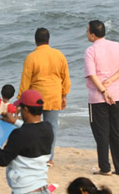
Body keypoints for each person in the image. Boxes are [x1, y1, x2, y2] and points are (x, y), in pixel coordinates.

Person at [0, 89, 54, 194]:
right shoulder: (48, 128)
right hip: (42, 188)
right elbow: (32, 130)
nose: (18, 110)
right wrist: (14, 121)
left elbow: (3, 160)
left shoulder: (19, 134)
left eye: (20, 108)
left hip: (25, 190)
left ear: (25, 110)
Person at [83, 20, 119, 175]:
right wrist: (112, 80)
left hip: (98, 97)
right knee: (117, 131)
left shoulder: (90, 50)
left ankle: (105, 168)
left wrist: (103, 90)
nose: (86, 33)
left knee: (101, 134)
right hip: (117, 94)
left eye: (88, 31)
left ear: (93, 34)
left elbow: (92, 74)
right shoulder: (117, 45)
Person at [21, 26, 72, 163]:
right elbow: (65, 77)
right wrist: (64, 95)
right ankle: (49, 158)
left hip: (35, 98)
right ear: (48, 40)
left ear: (35, 40)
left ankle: (34, 154)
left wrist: (22, 98)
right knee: (52, 127)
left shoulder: (31, 57)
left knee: (32, 126)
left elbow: (25, 80)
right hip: (54, 96)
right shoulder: (59, 55)